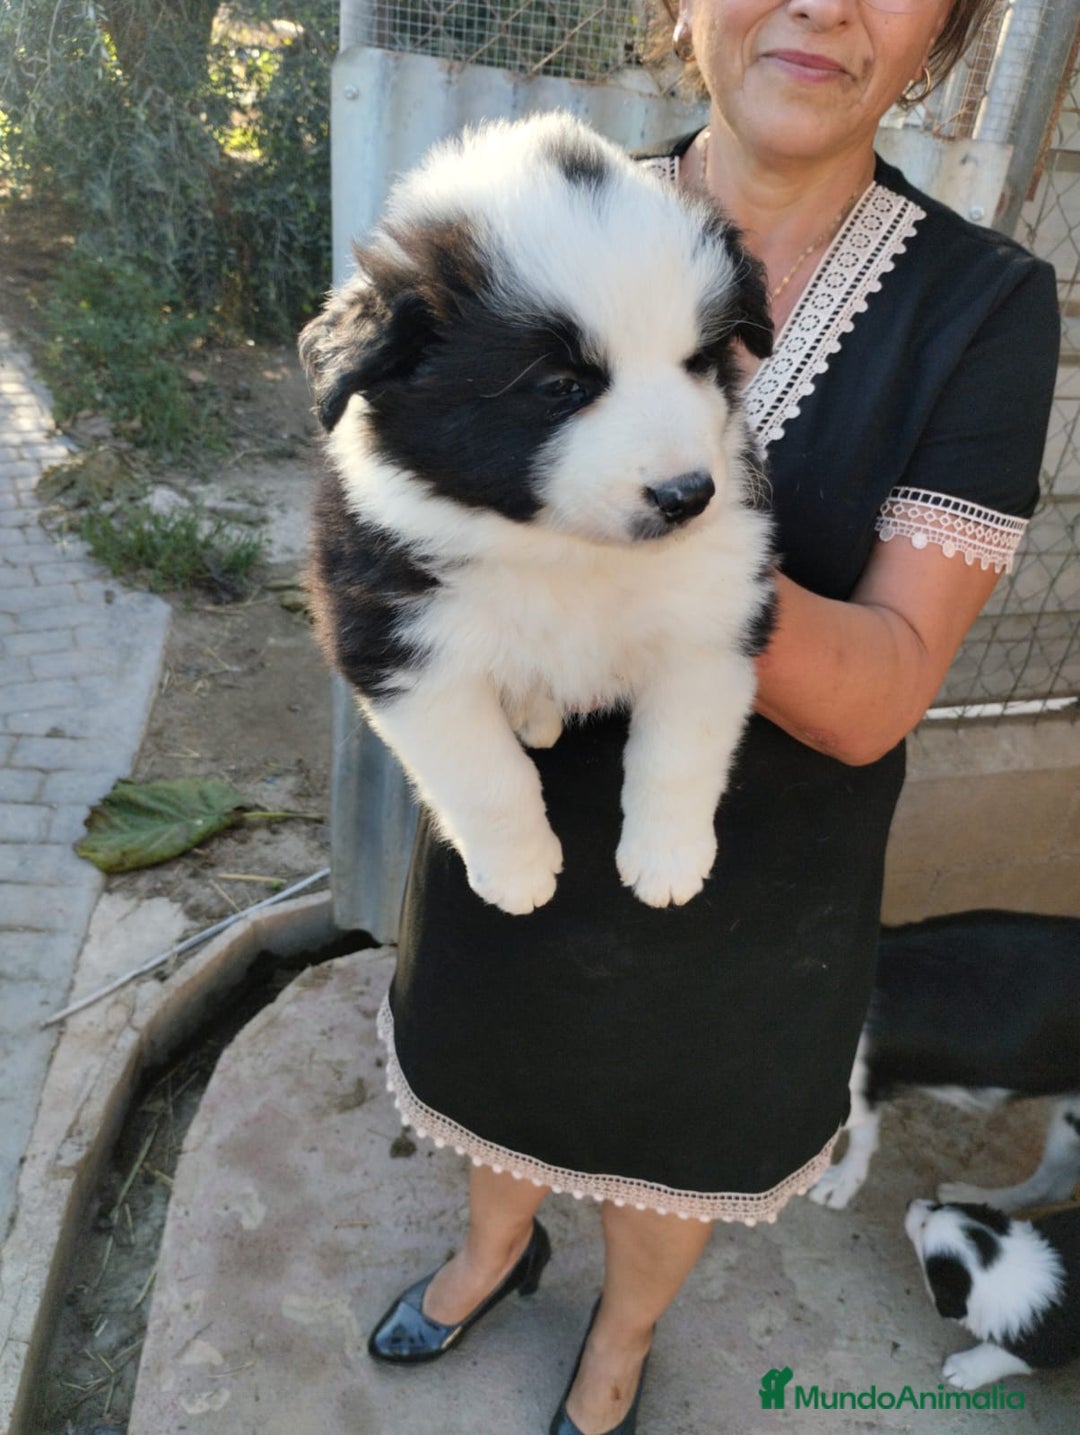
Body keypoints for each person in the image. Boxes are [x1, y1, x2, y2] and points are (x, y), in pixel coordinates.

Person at [364, 2, 1060, 1432]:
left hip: (761, 884)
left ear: (950, 32)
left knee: (671, 1148)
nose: (818, 1)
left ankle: (618, 1343)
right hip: (519, 823)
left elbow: (871, 700)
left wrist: (662, 523)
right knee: (495, 1083)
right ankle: (492, 1256)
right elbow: (389, 511)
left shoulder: (983, 306)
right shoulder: (528, 219)